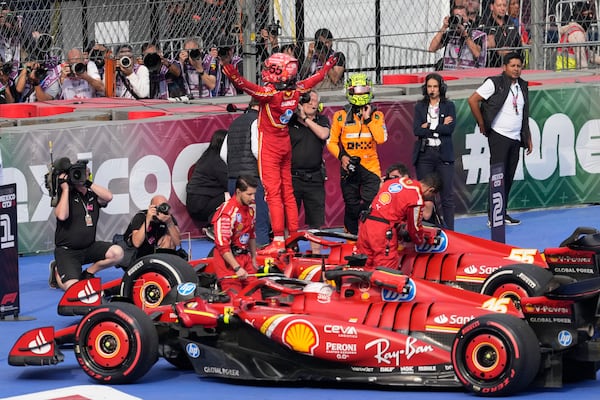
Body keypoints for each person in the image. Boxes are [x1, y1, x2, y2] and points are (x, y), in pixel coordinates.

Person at [222, 51, 337, 254]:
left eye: (270, 68)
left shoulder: (270, 95)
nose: (266, 71)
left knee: (273, 195)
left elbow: (244, 85)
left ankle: (277, 240)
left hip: (270, 147)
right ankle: (292, 235)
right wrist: (327, 66)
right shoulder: (297, 91)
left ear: (279, 73)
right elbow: (315, 79)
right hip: (285, 145)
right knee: (289, 194)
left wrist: (229, 69)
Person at [467, 52, 533, 226]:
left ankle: (502, 213)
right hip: (499, 135)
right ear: (504, 67)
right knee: (498, 176)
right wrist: (482, 123)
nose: (516, 69)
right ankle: (493, 216)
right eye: (513, 66)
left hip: (515, 137)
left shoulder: (523, 86)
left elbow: (524, 115)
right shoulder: (494, 83)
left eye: (519, 66)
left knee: (509, 176)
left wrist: (528, 137)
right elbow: (473, 100)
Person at [48, 157, 124, 291]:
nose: (80, 176)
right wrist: (65, 189)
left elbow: (108, 197)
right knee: (73, 288)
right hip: (67, 252)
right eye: (77, 174)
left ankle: (88, 273)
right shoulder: (67, 195)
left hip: (89, 247)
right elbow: (61, 215)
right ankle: (57, 271)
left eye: (85, 173)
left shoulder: (92, 195)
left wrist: (87, 183)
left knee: (117, 253)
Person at [327, 72, 388, 235]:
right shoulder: (340, 116)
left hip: (371, 168)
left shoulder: (377, 115)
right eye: (357, 91)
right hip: (350, 168)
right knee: (351, 206)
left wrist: (367, 120)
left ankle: (370, 237)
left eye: (363, 91)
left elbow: (381, 139)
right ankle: (351, 238)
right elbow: (331, 142)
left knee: (371, 205)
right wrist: (342, 157)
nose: (360, 94)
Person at [355, 173, 442, 270]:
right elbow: (414, 227)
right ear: (431, 190)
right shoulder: (416, 198)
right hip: (382, 231)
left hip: (365, 224)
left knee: (362, 265)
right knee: (386, 269)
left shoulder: (395, 181)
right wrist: (420, 240)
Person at [220, 98, 271, 247]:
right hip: (253, 179)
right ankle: (262, 251)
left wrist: (236, 168)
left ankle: (237, 249)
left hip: (233, 178)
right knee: (259, 219)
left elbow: (223, 153)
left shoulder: (234, 123)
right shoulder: (258, 121)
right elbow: (257, 151)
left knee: (237, 218)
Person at [412, 73, 456, 230]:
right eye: (429, 86)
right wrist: (438, 126)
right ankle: (427, 228)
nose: (432, 90)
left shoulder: (449, 106)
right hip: (425, 154)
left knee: (447, 197)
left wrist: (429, 126)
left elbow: (449, 129)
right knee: (425, 194)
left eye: (435, 86)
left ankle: (451, 231)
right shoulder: (420, 107)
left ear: (441, 88)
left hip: (443, 153)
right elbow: (417, 130)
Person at [289, 89, 330, 254]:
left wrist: (306, 118)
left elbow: (323, 134)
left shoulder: (322, 120)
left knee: (315, 221)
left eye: (315, 100)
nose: (313, 104)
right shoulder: (290, 121)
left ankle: (316, 256)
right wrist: (296, 113)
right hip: (293, 177)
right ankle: (291, 251)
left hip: (315, 178)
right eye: (309, 100)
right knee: (290, 220)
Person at [211, 175, 259, 294]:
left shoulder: (250, 209)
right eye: (249, 194)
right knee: (236, 301)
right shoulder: (227, 212)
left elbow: (251, 234)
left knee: (256, 298)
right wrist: (237, 267)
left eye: (254, 194)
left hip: (245, 258)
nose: (253, 198)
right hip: (227, 263)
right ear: (238, 192)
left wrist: (253, 258)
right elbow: (222, 246)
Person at [122, 194, 182, 265]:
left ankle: (163, 265)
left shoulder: (168, 217)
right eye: (159, 206)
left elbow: (178, 242)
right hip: (138, 252)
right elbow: (136, 243)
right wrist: (148, 220)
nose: (162, 209)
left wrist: (169, 223)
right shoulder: (141, 216)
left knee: (169, 238)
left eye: (164, 205)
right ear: (152, 207)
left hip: (158, 250)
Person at [186, 129, 229, 225]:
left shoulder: (207, 156)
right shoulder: (216, 161)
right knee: (236, 195)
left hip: (196, 204)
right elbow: (230, 184)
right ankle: (215, 226)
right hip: (201, 207)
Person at [428, 4, 487, 70]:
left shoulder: (475, 33)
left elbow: (477, 54)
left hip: (469, 74)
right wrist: (443, 27)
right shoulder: (450, 34)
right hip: (450, 73)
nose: (460, 19)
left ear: (467, 18)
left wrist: (465, 34)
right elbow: (431, 49)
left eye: (462, 16)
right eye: (457, 16)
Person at [556, 1, 600, 70]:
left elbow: (589, 55)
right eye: (588, 15)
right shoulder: (577, 33)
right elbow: (582, 62)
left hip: (566, 73)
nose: (590, 17)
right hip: (570, 75)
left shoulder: (571, 30)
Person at [483, 0, 522, 68]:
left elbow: (518, 44)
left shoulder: (510, 22)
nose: (502, 8)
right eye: (499, 5)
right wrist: (497, 51)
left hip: (512, 65)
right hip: (493, 66)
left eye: (504, 5)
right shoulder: (486, 23)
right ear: (492, 7)